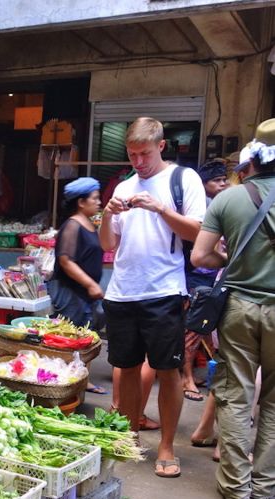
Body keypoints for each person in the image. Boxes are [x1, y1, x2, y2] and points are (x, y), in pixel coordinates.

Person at [99, 117, 206, 479]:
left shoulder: (182, 179)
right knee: (126, 367)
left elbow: (198, 231)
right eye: (132, 155)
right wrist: (106, 215)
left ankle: (166, 446)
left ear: (161, 146)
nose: (138, 162)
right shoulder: (123, 185)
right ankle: (129, 435)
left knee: (167, 370)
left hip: (163, 290)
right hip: (122, 291)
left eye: (144, 153)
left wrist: (160, 208)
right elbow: (108, 244)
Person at [191, 117, 275, 499]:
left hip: (240, 307)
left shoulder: (229, 198)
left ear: (252, 156)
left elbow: (200, 255)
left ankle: (236, 486)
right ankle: (265, 487)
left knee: (236, 394)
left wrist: (230, 256)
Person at [49, 177, 107, 394]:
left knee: (86, 335)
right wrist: (90, 284)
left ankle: (82, 379)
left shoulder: (89, 224)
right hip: (71, 292)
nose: (99, 202)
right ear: (81, 202)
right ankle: (66, 384)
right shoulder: (72, 225)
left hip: (83, 292)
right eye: (95, 198)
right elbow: (65, 260)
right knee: (71, 338)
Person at [182, 160, 229, 402]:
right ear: (203, 185)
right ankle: (186, 378)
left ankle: (188, 374)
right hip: (196, 278)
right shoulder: (203, 209)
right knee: (193, 330)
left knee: (202, 332)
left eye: (224, 179)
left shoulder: (220, 204)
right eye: (217, 181)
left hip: (211, 278)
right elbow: (198, 253)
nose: (223, 184)